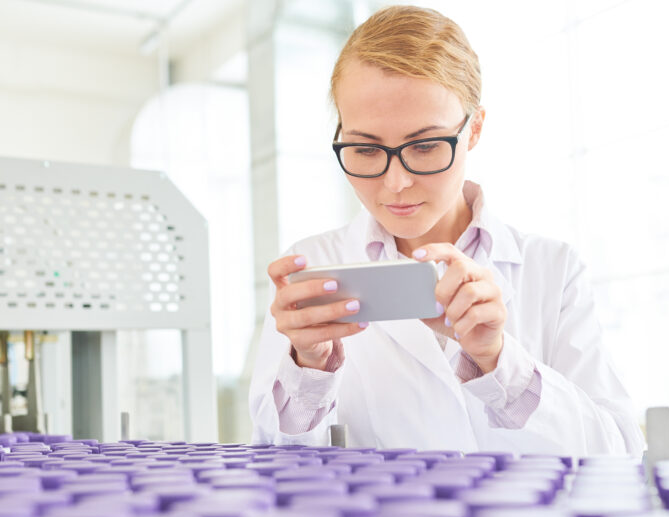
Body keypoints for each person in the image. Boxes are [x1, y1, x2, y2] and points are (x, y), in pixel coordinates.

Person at [249, 5, 643, 457]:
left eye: (425, 145)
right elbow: (273, 461)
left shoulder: (551, 269)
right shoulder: (313, 267)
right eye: (364, 149)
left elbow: (620, 453)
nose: (395, 183)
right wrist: (309, 369)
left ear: (473, 129)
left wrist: (499, 360)